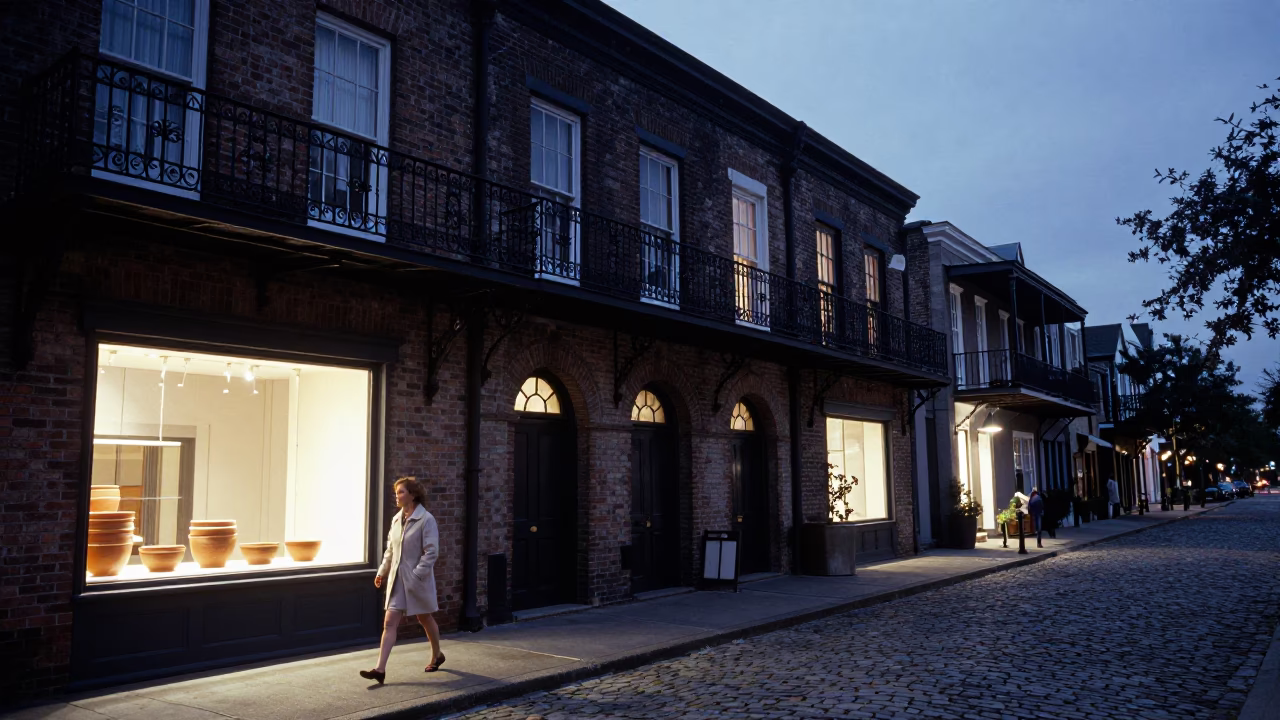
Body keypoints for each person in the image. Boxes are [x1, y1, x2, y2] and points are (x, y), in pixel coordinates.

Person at [360, 476, 443, 684]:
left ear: (412, 495)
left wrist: (416, 574)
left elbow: (431, 552)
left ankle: (437, 654)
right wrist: (381, 572)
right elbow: (390, 549)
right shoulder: (397, 519)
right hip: (397, 580)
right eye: (396, 492)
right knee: (389, 622)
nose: (396, 496)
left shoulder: (427, 520)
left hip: (416, 581)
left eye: (400, 492)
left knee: (425, 618)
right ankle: (380, 670)